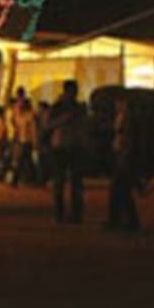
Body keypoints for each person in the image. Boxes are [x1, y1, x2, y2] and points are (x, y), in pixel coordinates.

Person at [49, 80, 88, 222]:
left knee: (76, 182)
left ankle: (76, 213)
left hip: (75, 145)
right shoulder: (57, 107)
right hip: (60, 146)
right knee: (59, 181)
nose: (74, 94)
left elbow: (84, 125)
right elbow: (48, 125)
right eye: (72, 91)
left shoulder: (79, 107)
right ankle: (59, 213)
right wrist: (64, 119)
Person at [105, 94, 142, 231]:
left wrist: (125, 155)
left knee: (121, 189)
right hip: (121, 153)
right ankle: (123, 219)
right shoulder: (123, 116)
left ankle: (126, 220)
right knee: (120, 189)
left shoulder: (127, 117)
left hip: (123, 154)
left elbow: (128, 137)